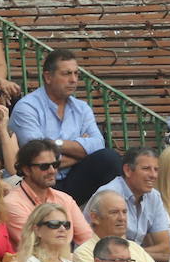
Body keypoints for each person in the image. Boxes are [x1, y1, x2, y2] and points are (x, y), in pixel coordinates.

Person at [10, 49, 122, 204]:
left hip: (73, 179)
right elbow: (39, 158)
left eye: (76, 74)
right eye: (67, 74)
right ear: (48, 77)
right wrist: (81, 152)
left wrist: (55, 143)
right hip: (39, 182)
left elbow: (98, 144)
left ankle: (112, 214)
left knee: (109, 158)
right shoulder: (27, 108)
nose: (74, 79)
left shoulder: (82, 108)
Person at [92, 147, 170, 262]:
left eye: (156, 169)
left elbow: (165, 247)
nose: (153, 175)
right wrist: (144, 254)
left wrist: (133, 255)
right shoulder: (108, 195)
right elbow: (109, 250)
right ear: (128, 170)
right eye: (146, 169)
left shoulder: (154, 196)